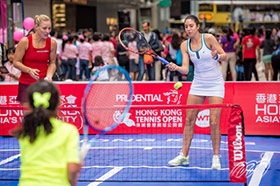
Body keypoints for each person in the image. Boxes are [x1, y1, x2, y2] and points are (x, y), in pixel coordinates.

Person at [167, 15, 227, 169]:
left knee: (214, 122)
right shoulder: (184, 45)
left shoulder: (209, 38)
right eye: (186, 26)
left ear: (198, 26)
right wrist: (176, 68)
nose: (188, 29)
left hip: (215, 84)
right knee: (188, 120)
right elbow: (186, 70)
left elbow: (225, 56)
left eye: (191, 26)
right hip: (198, 84)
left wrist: (217, 56)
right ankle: (184, 156)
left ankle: (216, 157)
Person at [10, 80, 82, 186]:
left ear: (30, 104)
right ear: (58, 103)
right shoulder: (69, 130)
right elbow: (71, 171)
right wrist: (76, 170)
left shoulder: (25, 130)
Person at [13, 14, 57, 106]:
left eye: (49, 28)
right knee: (28, 116)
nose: (47, 31)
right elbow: (16, 62)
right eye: (44, 28)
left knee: (44, 116)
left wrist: (49, 76)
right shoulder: (25, 41)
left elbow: (52, 63)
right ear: (36, 27)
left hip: (43, 84)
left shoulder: (52, 43)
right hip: (26, 83)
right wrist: (29, 70)